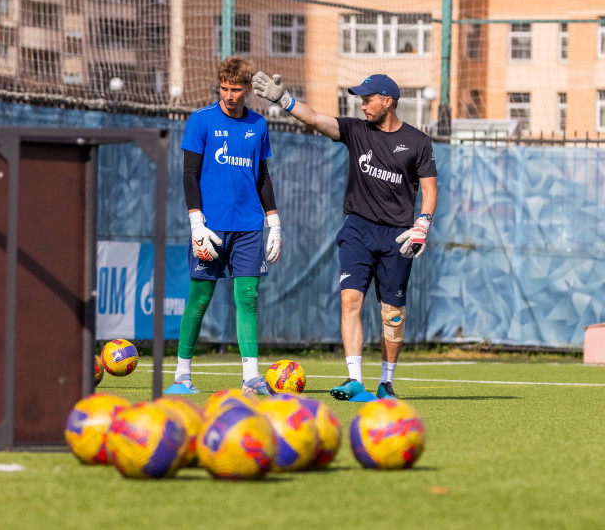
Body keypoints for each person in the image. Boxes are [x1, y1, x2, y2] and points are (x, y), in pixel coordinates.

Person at [252, 72, 438, 400]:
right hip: (358, 229)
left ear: (388, 101)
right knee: (349, 300)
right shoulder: (355, 130)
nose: (362, 104)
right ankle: (354, 380)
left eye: (368, 99)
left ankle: (386, 384)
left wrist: (422, 223)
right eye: (361, 99)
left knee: (392, 314)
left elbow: (429, 189)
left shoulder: (419, 142)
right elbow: (314, 119)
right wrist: (283, 100)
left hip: (397, 236)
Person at [164, 56, 282, 396]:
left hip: (248, 227)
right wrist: (196, 222)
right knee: (199, 298)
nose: (229, 95)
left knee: (248, 297)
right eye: (224, 89)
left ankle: (251, 378)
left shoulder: (258, 124)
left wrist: (274, 222)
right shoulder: (200, 120)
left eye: (235, 89)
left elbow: (262, 177)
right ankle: (182, 376)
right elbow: (190, 174)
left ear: (247, 89)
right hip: (210, 227)